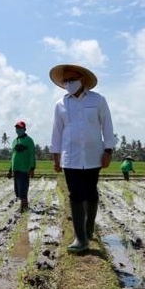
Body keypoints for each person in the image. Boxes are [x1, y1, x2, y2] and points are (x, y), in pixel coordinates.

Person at [49, 63, 115, 253]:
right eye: (66, 80)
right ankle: (80, 238)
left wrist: (108, 150)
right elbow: (57, 132)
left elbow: (107, 126)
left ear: (82, 80)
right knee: (75, 195)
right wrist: (56, 158)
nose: (69, 83)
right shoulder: (60, 104)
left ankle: (88, 229)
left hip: (94, 155)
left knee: (91, 192)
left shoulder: (98, 100)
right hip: (71, 157)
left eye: (72, 79)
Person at [7, 120, 36, 212]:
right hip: (16, 168)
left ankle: (24, 207)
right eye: (17, 128)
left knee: (23, 187)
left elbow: (32, 154)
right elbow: (13, 156)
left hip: (24, 168)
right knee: (18, 189)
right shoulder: (14, 141)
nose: (18, 130)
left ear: (24, 129)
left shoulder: (29, 140)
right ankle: (23, 206)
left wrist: (32, 168)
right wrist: (10, 169)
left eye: (20, 128)